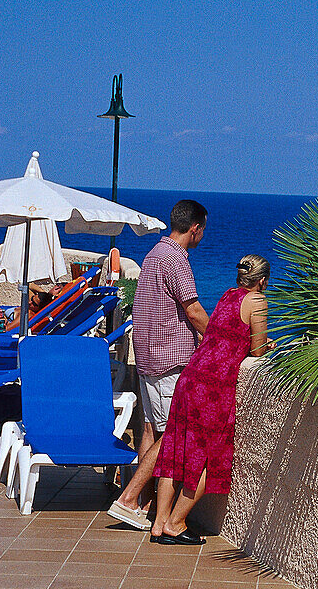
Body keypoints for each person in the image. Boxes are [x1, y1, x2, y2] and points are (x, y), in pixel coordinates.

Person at [149, 255, 271, 545]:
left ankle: (158, 523)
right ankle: (176, 523)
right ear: (263, 280)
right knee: (207, 458)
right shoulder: (257, 302)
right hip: (214, 386)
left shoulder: (228, 295)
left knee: (174, 450)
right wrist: (269, 344)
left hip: (191, 377)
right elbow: (257, 350)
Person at [107, 199, 209, 530]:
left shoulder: (153, 255)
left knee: (151, 430)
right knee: (173, 433)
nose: (202, 235)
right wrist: (221, 340)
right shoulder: (176, 261)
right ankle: (129, 499)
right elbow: (193, 310)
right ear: (195, 228)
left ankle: (142, 502)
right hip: (171, 362)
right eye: (202, 229)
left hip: (148, 359)